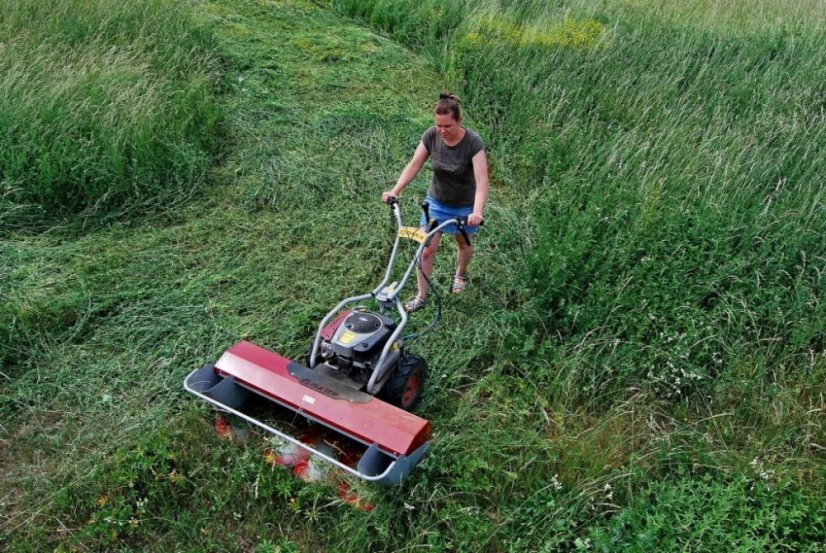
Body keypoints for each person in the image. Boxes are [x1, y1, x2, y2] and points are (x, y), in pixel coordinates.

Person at [382, 92, 489, 312]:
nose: (442, 131)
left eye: (447, 125)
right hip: (436, 203)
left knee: (463, 244)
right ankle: (421, 295)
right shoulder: (431, 136)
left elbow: (482, 180)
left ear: (458, 120)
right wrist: (396, 190)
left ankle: (460, 274)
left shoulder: (473, 143)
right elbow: (414, 165)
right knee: (426, 249)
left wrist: (477, 211)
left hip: (464, 207)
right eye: (438, 125)